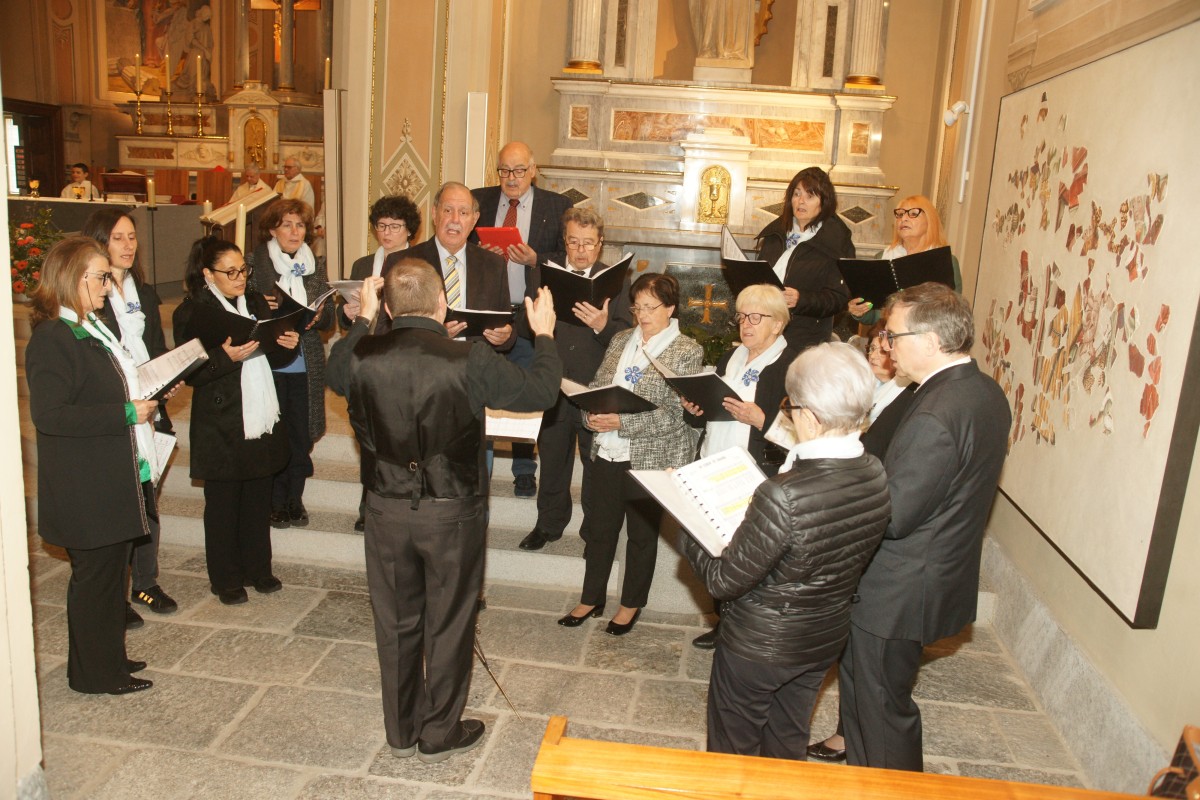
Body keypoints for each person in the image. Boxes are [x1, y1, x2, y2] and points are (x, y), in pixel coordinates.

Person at [328, 259, 562, 764]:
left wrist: (363, 319)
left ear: (388, 308)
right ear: (441, 303)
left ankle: (400, 731)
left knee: (396, 623)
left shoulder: (361, 354)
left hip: (385, 507)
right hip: (451, 510)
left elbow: (334, 370)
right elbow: (542, 391)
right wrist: (544, 334)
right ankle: (438, 732)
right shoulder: (468, 357)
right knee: (449, 622)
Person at [682, 343, 891, 759]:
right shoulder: (874, 470)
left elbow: (723, 581)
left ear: (810, 416)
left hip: (760, 645)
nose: (789, 415)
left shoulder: (784, 494)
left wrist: (689, 520)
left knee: (733, 752)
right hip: (823, 637)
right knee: (787, 737)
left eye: (790, 407)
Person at [839, 282, 1011, 772]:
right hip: (929, 571)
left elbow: (895, 515)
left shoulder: (937, 411)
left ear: (932, 341)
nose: (886, 345)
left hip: (898, 587)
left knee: (880, 709)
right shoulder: (982, 390)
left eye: (893, 335)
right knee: (866, 696)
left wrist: (834, 495)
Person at [27, 237, 169, 694]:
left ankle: (108, 658)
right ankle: (94, 675)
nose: (109, 286)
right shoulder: (53, 337)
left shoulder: (91, 328)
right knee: (95, 581)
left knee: (111, 579)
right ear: (73, 278)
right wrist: (127, 412)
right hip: (85, 484)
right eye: (102, 277)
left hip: (111, 475)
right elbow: (50, 416)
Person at [559, 273, 702, 635]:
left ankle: (630, 604)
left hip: (650, 457)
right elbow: (597, 387)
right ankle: (591, 597)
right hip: (608, 451)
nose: (642, 314)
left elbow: (674, 415)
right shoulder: (622, 338)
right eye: (637, 307)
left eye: (651, 307)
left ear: (670, 308)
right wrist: (591, 415)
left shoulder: (686, 350)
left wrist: (622, 422)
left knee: (640, 536)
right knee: (600, 530)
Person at [806, 320, 915, 763]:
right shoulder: (872, 393)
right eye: (871, 346)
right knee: (853, 653)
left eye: (885, 344)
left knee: (873, 668)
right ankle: (848, 733)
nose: (876, 352)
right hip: (855, 514)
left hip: (871, 523)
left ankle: (857, 742)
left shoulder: (909, 399)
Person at [173, 236, 300, 605]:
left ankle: (258, 569)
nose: (240, 277)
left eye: (243, 269)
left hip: (260, 413)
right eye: (230, 272)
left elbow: (270, 354)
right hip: (222, 419)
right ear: (207, 274)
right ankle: (226, 578)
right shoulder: (193, 312)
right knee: (224, 504)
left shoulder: (256, 302)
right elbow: (189, 374)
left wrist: (286, 345)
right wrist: (224, 358)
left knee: (258, 498)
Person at [682, 284, 796, 650]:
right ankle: (724, 621)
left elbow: (804, 431)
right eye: (742, 316)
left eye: (756, 317)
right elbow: (712, 412)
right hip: (713, 464)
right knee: (717, 551)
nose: (745, 324)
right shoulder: (731, 357)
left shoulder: (790, 366)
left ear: (777, 324)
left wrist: (761, 419)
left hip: (756, 473)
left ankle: (748, 628)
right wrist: (695, 409)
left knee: (751, 556)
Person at [81, 207, 177, 625]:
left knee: (147, 503)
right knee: (119, 507)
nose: (127, 245)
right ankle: (114, 594)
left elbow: (155, 346)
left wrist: (169, 378)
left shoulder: (146, 292)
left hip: (149, 408)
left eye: (132, 237)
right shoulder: (91, 296)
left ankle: (145, 582)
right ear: (99, 242)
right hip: (118, 410)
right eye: (118, 237)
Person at [518, 207, 633, 552]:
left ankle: (593, 533)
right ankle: (548, 524)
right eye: (573, 242)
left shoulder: (616, 280)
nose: (581, 250)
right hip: (553, 383)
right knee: (553, 460)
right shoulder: (544, 273)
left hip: (594, 387)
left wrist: (602, 325)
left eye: (588, 243)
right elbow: (525, 324)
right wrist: (535, 319)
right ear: (564, 242)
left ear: (600, 243)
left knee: (594, 465)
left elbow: (627, 336)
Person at [470, 142, 574, 497]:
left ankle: (525, 468)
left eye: (518, 171)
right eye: (504, 171)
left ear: (533, 170)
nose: (510, 178)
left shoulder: (556, 206)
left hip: (529, 315)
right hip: (488, 312)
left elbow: (567, 258)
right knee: (482, 389)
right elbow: (458, 247)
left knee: (527, 389)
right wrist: (478, 253)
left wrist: (535, 259)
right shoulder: (479, 201)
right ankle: (480, 468)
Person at [248, 198, 334, 529]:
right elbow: (240, 311)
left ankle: (294, 499)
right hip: (268, 363)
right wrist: (260, 306)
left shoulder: (316, 265)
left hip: (304, 362)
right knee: (275, 434)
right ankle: (275, 500)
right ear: (273, 230)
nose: (295, 231)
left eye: (300, 225)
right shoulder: (254, 264)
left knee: (301, 435)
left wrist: (320, 316)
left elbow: (329, 320)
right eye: (287, 225)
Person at [397, 182, 515, 351]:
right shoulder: (404, 262)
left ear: (474, 219)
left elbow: (507, 326)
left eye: (463, 212)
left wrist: (505, 336)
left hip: (476, 364)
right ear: (434, 214)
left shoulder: (494, 264)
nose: (455, 220)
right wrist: (434, 334)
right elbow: (387, 330)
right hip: (424, 362)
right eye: (447, 210)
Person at [755, 166, 853, 352]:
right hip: (764, 330)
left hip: (804, 339)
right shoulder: (776, 232)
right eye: (797, 194)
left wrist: (801, 300)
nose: (801, 201)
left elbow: (838, 298)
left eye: (810, 196)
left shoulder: (835, 239)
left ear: (824, 202)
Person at [847, 195, 962, 326]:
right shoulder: (883, 257)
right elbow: (874, 315)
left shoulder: (946, 261)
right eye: (900, 214)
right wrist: (860, 311)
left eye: (913, 214)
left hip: (930, 333)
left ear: (930, 221)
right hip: (890, 334)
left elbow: (954, 312)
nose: (904, 219)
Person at [341, 194, 421, 324]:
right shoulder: (361, 265)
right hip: (366, 335)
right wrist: (347, 314)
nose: (386, 232)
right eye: (382, 225)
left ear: (409, 230)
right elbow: (343, 317)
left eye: (394, 227)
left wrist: (377, 308)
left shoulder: (421, 265)